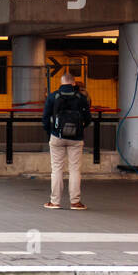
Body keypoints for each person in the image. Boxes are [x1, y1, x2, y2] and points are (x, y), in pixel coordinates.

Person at [42, 71, 92, 210]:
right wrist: (80, 129)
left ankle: (55, 202)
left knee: (56, 169)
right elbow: (88, 119)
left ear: (61, 82)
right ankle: (75, 202)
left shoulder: (53, 96)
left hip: (57, 136)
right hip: (76, 138)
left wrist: (51, 132)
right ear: (73, 82)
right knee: (75, 169)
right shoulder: (81, 97)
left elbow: (45, 118)